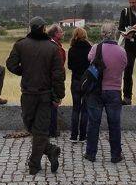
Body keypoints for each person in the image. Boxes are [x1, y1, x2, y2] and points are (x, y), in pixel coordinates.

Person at [6, 17, 65, 175]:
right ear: (44, 28)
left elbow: (11, 65)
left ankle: (34, 164)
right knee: (35, 128)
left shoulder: (21, 44)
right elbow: (59, 75)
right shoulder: (52, 48)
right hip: (41, 94)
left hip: (32, 94)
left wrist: (24, 72)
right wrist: (59, 95)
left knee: (37, 128)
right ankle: (51, 150)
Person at [84, 23, 128, 163]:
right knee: (114, 124)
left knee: (93, 123)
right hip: (114, 91)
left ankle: (91, 153)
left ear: (102, 33)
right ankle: (116, 155)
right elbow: (124, 66)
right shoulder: (121, 51)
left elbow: (89, 59)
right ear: (115, 33)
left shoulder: (96, 48)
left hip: (96, 90)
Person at [67, 27, 92, 143]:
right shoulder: (90, 49)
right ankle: (83, 136)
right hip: (87, 81)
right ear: (85, 35)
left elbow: (70, 66)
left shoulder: (72, 49)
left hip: (76, 81)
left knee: (76, 109)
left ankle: (73, 135)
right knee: (85, 109)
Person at [46, 24, 66, 138]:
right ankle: (52, 130)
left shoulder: (51, 45)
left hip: (49, 79)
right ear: (55, 34)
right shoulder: (56, 48)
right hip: (54, 80)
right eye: (61, 31)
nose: (63, 33)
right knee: (53, 104)